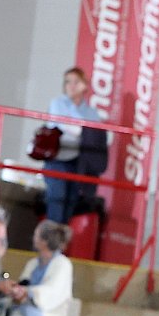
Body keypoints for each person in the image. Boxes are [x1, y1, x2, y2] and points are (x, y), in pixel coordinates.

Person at [7, 220, 74, 316]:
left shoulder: (62, 264)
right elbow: (25, 283)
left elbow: (53, 293)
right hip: (24, 312)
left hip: (50, 315)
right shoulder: (33, 263)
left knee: (29, 308)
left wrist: (28, 292)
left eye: (37, 235)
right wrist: (17, 289)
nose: (33, 238)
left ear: (44, 241)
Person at [42, 66, 107, 224]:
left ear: (85, 85)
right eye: (67, 82)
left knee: (71, 202)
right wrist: (83, 131)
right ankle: (51, 244)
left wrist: (81, 131)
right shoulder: (57, 103)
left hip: (79, 163)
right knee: (57, 200)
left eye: (76, 81)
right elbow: (63, 128)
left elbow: (95, 137)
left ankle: (60, 244)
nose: (71, 85)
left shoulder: (92, 113)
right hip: (57, 160)